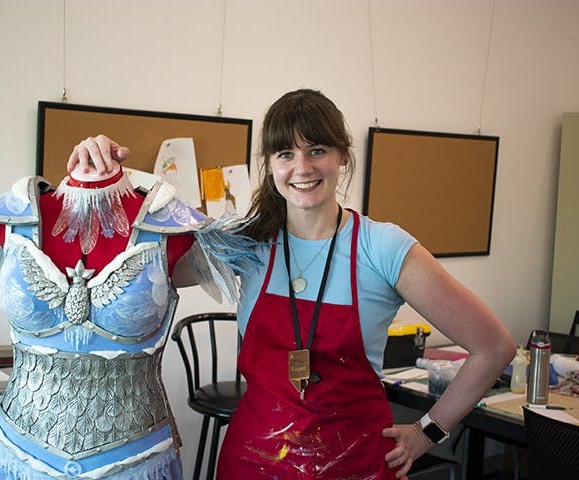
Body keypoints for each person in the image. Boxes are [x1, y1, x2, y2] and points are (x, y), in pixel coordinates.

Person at [66, 89, 515, 480]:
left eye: (316, 149)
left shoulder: (383, 248)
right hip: (253, 464)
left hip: (356, 466)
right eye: (285, 154)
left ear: (342, 155)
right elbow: (138, 266)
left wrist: (427, 431)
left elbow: (493, 347)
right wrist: (107, 182)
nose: (302, 167)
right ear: (270, 165)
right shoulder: (246, 242)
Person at [0, 139, 258, 480]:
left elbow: (255, 247)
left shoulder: (174, 226)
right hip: (22, 456)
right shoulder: (11, 216)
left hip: (135, 460)